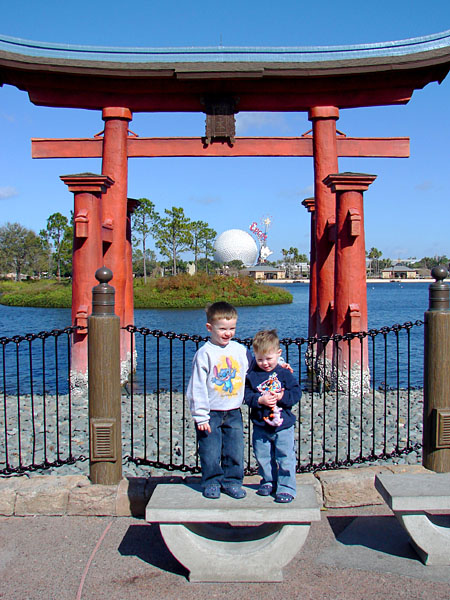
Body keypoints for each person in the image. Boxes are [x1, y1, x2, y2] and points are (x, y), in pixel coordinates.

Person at [187, 301, 250, 499]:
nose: (227, 333)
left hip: (233, 410)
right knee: (210, 450)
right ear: (209, 328)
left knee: (235, 449)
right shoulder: (204, 353)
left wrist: (279, 364)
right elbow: (197, 386)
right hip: (211, 412)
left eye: (232, 328)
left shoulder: (240, 350)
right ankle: (211, 481)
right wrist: (201, 416)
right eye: (222, 328)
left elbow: (257, 365)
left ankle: (232, 481)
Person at [244, 329, 301, 503]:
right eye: (260, 359)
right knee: (263, 456)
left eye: (269, 359)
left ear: (278, 354)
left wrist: (282, 397)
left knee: (285, 456)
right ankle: (268, 480)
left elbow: (296, 392)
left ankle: (286, 487)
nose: (265, 363)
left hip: (283, 425)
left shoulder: (284, 373)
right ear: (254, 355)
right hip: (261, 424)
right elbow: (246, 395)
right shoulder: (252, 375)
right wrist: (259, 399)